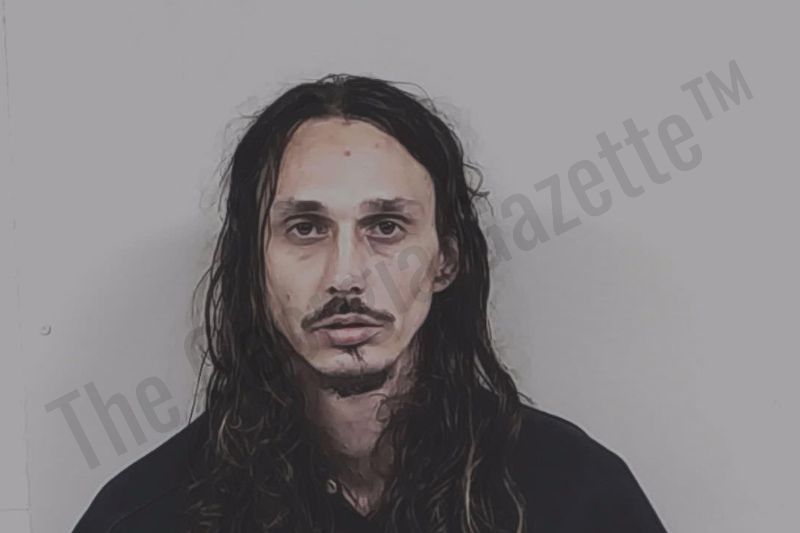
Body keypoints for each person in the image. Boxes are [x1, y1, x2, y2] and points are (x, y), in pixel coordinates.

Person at [72, 74, 668, 532]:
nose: (346, 276)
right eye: (306, 228)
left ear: (446, 260)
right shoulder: (146, 515)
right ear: (253, 265)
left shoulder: (577, 498)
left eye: (386, 227)